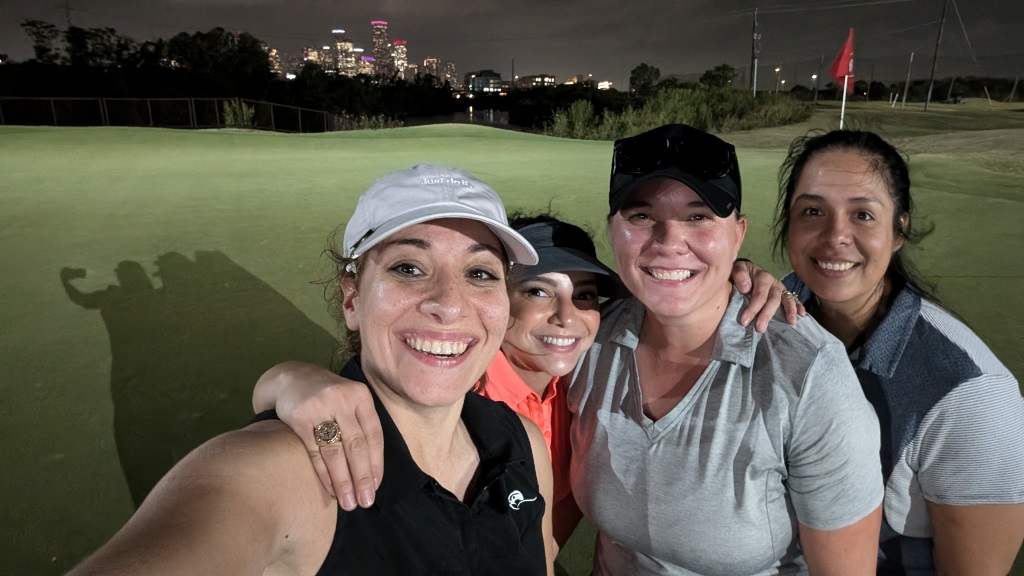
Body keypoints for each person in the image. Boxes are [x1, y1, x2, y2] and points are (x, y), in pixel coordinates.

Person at [255, 126, 879, 575]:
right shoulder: (593, 341)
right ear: (614, 230)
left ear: (737, 232)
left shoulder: (805, 376)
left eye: (699, 218)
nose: (669, 240)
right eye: (642, 215)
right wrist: (288, 380)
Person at [68, 164, 555, 576]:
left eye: (480, 273)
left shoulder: (523, 444)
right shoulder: (278, 470)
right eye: (408, 267)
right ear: (351, 298)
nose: (449, 305)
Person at [255, 213, 627, 546]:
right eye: (537, 291)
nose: (566, 315)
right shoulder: (453, 391)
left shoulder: (582, 383)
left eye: (585, 295)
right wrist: (284, 380)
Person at [772, 129, 1024, 575]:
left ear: (899, 230)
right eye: (812, 211)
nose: (835, 237)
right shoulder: (776, 307)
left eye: (863, 215)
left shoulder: (973, 394)